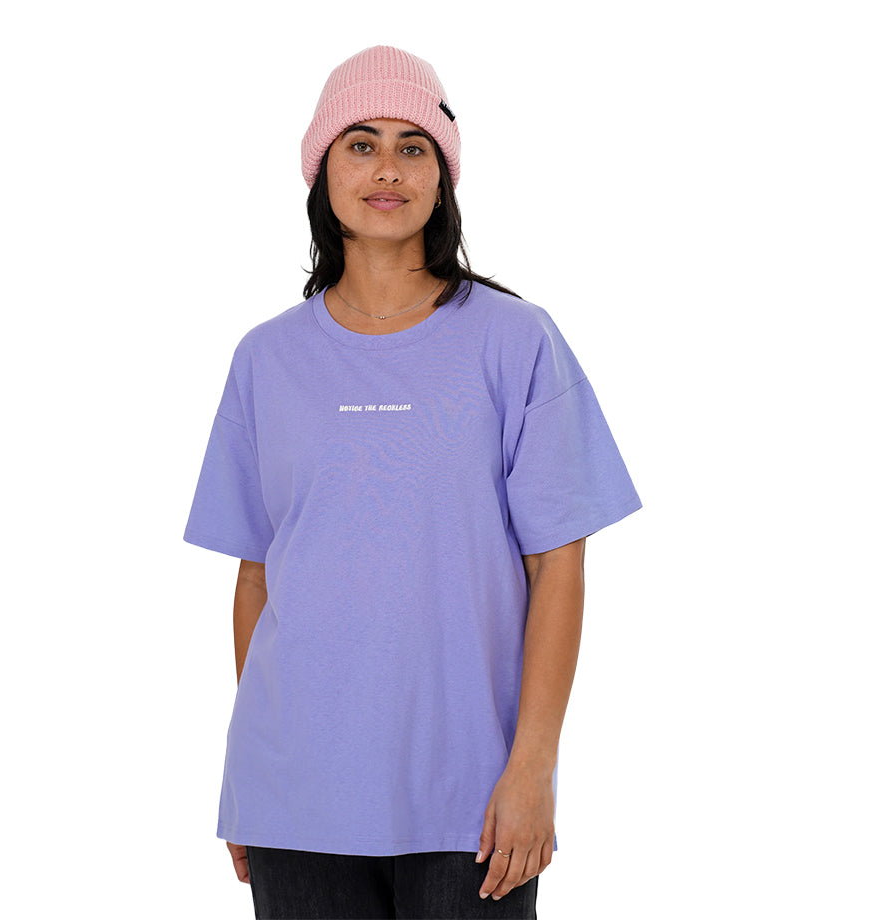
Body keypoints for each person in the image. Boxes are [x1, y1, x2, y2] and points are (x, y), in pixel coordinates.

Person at [184, 45, 642, 919]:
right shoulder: (266, 359)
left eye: (413, 146)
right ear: (322, 170)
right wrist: (256, 778)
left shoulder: (516, 342)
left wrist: (534, 767)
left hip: (472, 798)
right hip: (296, 797)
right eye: (361, 144)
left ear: (443, 176)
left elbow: (559, 566)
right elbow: (256, 575)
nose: (387, 168)